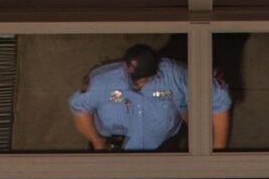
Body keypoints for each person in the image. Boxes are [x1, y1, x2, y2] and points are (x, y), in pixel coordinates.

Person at [68, 43, 231, 151]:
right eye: (132, 78)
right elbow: (79, 107)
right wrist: (96, 140)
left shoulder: (175, 75)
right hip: (112, 148)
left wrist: (216, 154)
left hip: (163, 148)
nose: (136, 84)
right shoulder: (102, 79)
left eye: (142, 79)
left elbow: (219, 101)